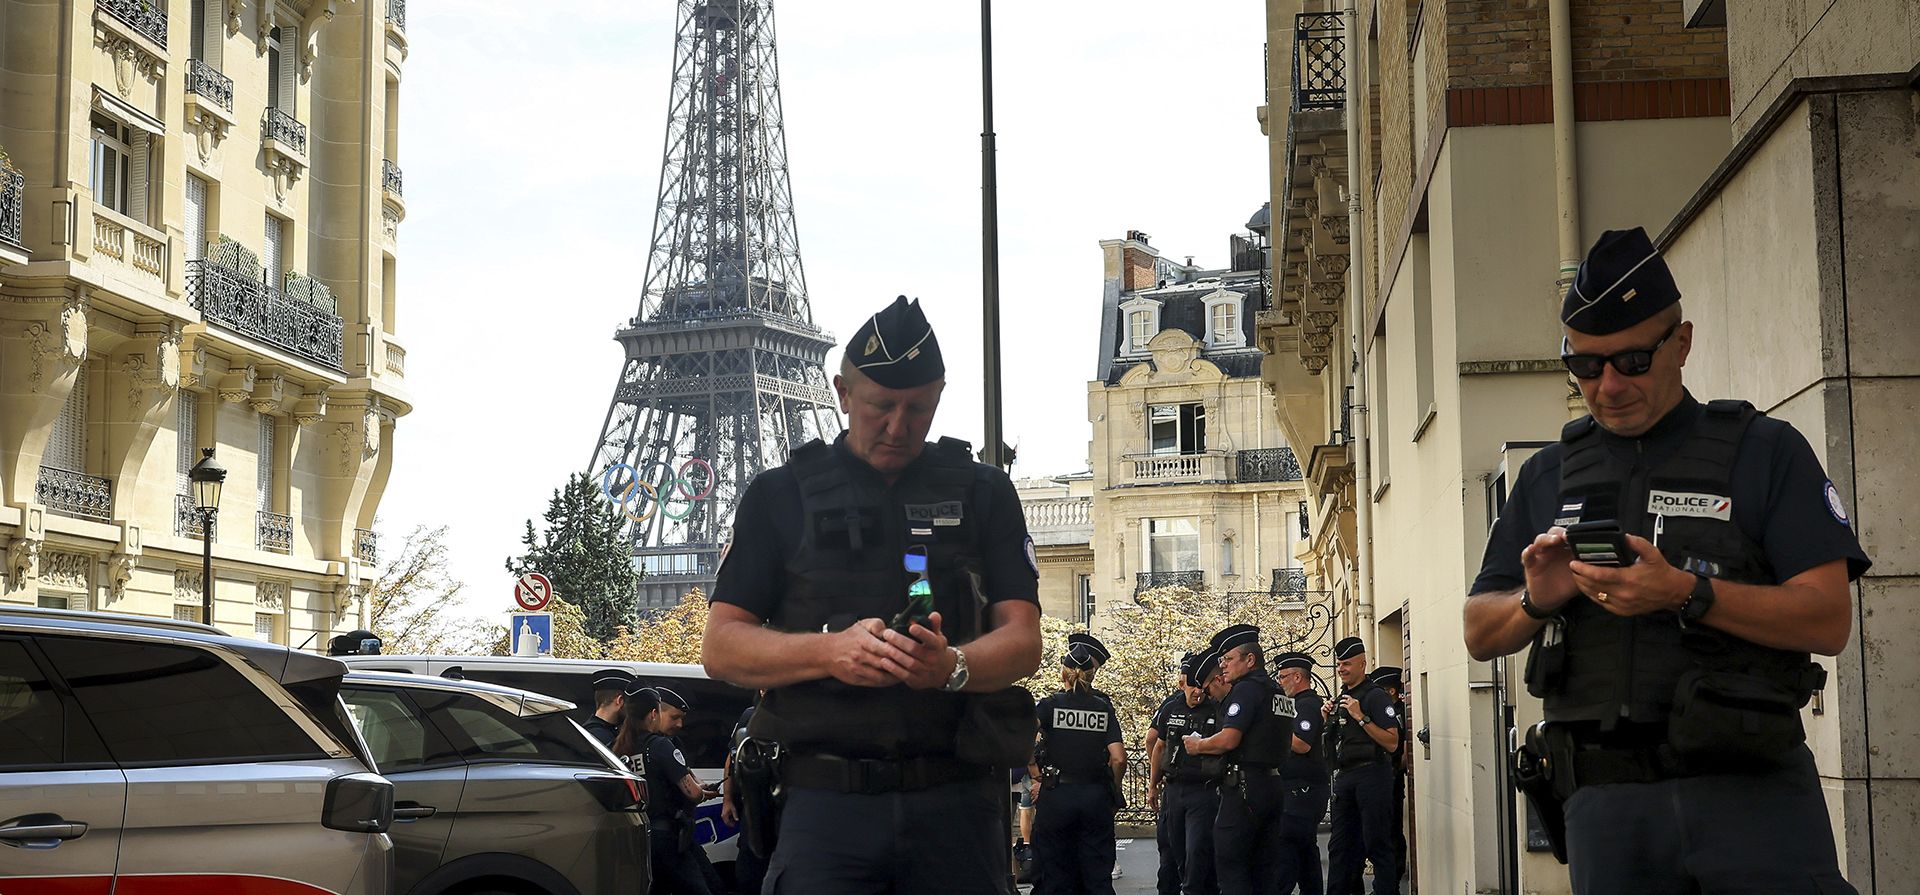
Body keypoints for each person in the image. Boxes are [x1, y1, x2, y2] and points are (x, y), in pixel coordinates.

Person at [1462, 226, 1869, 894]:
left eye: (1631, 360)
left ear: (1681, 344)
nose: (1609, 384)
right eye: (1585, 365)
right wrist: (1537, 597)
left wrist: (1683, 591)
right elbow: (1480, 630)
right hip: (1609, 810)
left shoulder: (1765, 452)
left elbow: (1828, 619)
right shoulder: (1548, 475)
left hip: (1751, 796)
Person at [702, 296, 1044, 895]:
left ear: (940, 394)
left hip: (956, 801)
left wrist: (953, 667)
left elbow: (1024, 640)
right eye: (881, 407)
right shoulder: (779, 495)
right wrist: (829, 653)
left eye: (918, 409)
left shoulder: (984, 491)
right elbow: (721, 648)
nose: (898, 426)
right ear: (841, 391)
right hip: (825, 805)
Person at [1183, 625, 1294, 895]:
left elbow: (1229, 739)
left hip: (1245, 789)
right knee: (1264, 869)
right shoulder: (1278, 692)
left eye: (1229, 659)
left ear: (1250, 660)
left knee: (1232, 865)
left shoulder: (1246, 690)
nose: (1223, 667)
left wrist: (1198, 746)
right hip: (1273, 785)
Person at [1028, 642, 1126, 895]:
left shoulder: (1050, 704)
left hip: (1057, 795)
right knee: (1097, 874)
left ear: (1064, 673)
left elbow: (1025, 734)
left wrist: (1033, 769)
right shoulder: (1103, 707)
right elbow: (1118, 758)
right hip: (1094, 797)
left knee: (1054, 871)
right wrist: (1113, 790)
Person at [619, 686, 719, 895]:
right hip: (666, 837)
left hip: (637, 836)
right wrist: (704, 794)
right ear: (654, 714)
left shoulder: (619, 748)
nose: (680, 725)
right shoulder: (660, 745)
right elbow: (692, 793)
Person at [1322, 637, 1398, 895]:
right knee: (1341, 846)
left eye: (1347, 663)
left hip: (1372, 775)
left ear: (1362, 664)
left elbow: (1392, 743)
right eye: (1339, 664)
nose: (1341, 669)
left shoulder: (1375, 696)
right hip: (1346, 777)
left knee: (1376, 843)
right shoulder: (1342, 698)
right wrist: (1326, 719)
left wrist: (1362, 717)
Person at [1148, 652, 1220, 895]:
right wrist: (1152, 785)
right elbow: (1158, 746)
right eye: (1192, 686)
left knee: (1197, 849)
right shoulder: (1170, 707)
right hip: (1174, 789)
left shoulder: (1216, 708)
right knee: (1173, 849)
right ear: (1182, 684)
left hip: (1203, 789)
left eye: (1201, 686)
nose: (1198, 692)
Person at [1272, 652, 1328, 895]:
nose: (1280, 681)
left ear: (1297, 677)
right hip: (1295, 788)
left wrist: (1271, 731)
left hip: (1303, 791)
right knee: (1305, 851)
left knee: (1288, 849)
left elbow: (1302, 743)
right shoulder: (1293, 704)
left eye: (1283, 676)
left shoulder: (1307, 705)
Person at [720, 696, 766, 895]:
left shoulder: (795, 715)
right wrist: (727, 799)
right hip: (754, 808)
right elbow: (732, 758)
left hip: (785, 806)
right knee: (749, 874)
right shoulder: (751, 715)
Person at [1367, 666, 1409, 882]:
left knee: (1391, 828)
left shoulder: (1398, 712)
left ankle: (1394, 873)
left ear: (1391, 691)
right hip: (1384, 774)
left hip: (1392, 775)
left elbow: (1402, 744)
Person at [582, 668, 636, 748]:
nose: (632, 710)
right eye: (631, 703)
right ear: (620, 701)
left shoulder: (587, 732)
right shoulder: (602, 738)